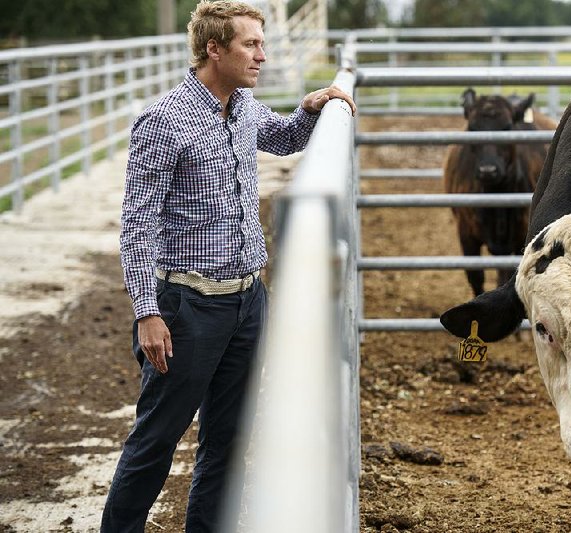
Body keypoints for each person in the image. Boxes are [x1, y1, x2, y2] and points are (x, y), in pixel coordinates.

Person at [101, 1, 356, 531]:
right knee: (155, 441)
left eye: (262, 44)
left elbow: (284, 139)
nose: (262, 55)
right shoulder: (164, 120)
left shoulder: (243, 106)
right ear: (214, 49)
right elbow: (136, 226)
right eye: (251, 45)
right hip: (186, 308)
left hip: (247, 300)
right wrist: (148, 312)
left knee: (227, 443)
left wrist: (314, 107)